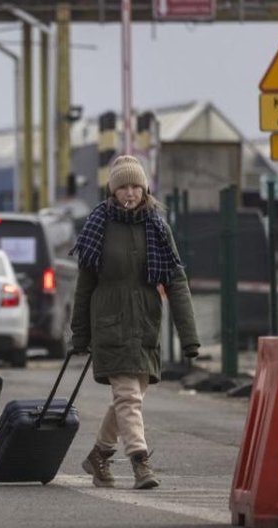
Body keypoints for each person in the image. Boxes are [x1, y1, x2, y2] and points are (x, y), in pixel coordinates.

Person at [69, 155, 199, 490]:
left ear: (144, 189)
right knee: (128, 396)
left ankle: (99, 454)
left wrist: (189, 337)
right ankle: (140, 462)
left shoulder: (157, 225)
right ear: (112, 192)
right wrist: (79, 334)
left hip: (145, 323)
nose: (130, 193)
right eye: (123, 187)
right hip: (109, 323)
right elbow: (84, 286)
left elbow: (176, 280)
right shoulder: (98, 225)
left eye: (135, 186)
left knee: (130, 398)